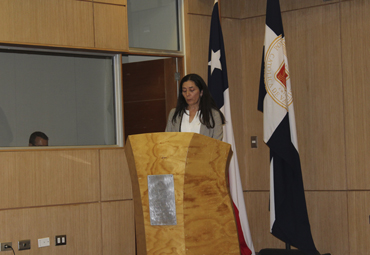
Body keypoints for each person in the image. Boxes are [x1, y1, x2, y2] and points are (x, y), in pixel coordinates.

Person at [165, 73, 225, 140]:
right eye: (184, 91)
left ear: (201, 92)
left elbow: (217, 143)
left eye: (192, 90)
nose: (187, 94)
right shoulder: (174, 114)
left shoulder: (213, 114)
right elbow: (168, 140)